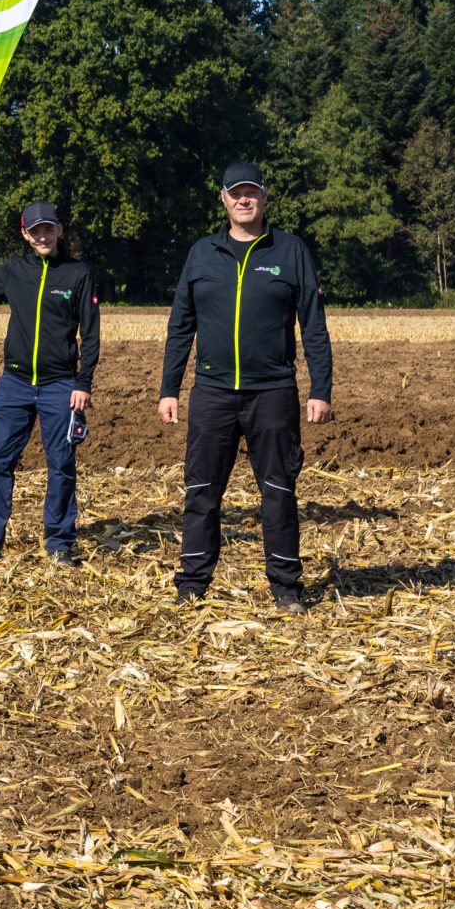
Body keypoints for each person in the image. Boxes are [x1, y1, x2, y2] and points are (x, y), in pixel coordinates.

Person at [159, 163, 334, 613]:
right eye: (235, 193)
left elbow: (313, 326)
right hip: (212, 392)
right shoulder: (201, 253)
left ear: (264, 197)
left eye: (251, 193)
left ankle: (286, 589)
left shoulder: (291, 251)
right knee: (201, 490)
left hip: (273, 392)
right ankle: (192, 584)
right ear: (223, 199)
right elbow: (181, 326)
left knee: (278, 492)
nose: (243, 200)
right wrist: (169, 388)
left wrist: (321, 388)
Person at [0, 202, 101, 565]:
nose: (42, 236)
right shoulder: (14, 270)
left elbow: (90, 334)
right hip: (14, 384)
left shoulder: (78, 273)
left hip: (61, 385)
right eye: (35, 231)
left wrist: (84, 381)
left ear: (59, 230)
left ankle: (59, 542)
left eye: (48, 229)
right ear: (25, 234)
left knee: (61, 465)